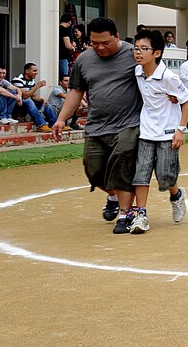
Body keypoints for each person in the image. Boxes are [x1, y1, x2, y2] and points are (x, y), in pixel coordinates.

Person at [52, 17, 143, 231]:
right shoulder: (84, 59)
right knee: (93, 171)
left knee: (122, 164)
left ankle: (125, 214)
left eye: (105, 42)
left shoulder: (133, 54)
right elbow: (76, 91)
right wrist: (61, 118)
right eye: (95, 43)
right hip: (96, 126)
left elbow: (154, 78)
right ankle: (113, 197)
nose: (100, 47)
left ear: (117, 36)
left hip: (129, 123)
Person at [127, 29, 188, 234]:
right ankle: (141, 215)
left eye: (144, 49)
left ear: (156, 53)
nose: (138, 53)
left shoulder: (168, 77)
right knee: (141, 174)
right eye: (136, 49)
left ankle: (176, 195)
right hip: (146, 131)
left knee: (166, 176)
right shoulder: (137, 72)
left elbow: (187, 100)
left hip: (168, 132)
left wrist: (180, 130)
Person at [11, 63, 58, 128]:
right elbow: (24, 96)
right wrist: (37, 86)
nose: (37, 73)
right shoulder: (17, 80)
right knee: (29, 101)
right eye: (34, 71)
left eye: (37, 71)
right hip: (16, 103)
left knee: (46, 104)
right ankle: (41, 125)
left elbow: (33, 95)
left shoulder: (31, 81)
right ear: (27, 71)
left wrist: (43, 100)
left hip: (24, 102)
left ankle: (55, 124)